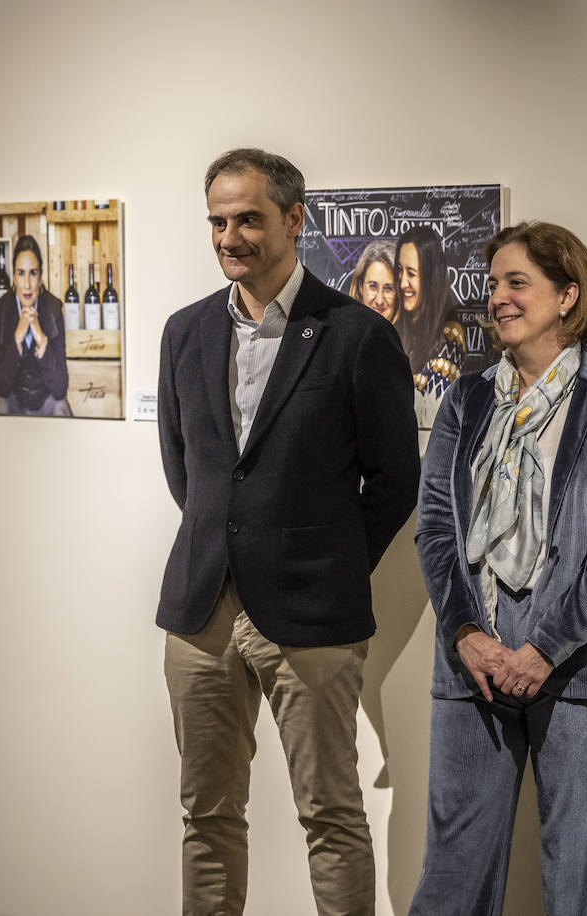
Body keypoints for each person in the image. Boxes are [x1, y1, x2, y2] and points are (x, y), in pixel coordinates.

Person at [156, 147, 419, 916]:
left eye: (247, 218)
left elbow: (395, 481)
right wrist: (227, 540)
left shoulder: (356, 335)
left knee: (331, 816)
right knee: (205, 815)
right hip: (201, 611)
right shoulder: (185, 332)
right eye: (217, 221)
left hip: (311, 617)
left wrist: (329, 563)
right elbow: (189, 472)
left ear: (293, 219)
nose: (229, 236)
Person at [410, 221, 587, 916]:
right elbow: (434, 527)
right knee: (452, 881)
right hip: (473, 666)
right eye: (493, 284)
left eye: (517, 282)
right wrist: (467, 634)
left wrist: (544, 648)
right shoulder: (465, 401)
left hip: (586, 673)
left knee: (583, 887)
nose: (498, 298)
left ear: (567, 295)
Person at [0, 235, 71, 416]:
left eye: (33, 273)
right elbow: (1, 386)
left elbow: (60, 389)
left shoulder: (54, 309)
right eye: (21, 273)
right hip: (15, 401)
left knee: (61, 407)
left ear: (40, 277)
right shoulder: (2, 309)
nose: (27, 284)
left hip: (45, 403)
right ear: (14, 277)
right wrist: (17, 340)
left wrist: (42, 340)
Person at [395, 225, 465, 425]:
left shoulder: (450, 336)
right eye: (400, 271)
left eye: (412, 273)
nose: (402, 283)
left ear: (430, 277)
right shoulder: (402, 324)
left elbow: (433, 417)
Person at [347, 239, 398, 324]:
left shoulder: (413, 335)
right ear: (360, 287)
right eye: (373, 286)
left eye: (388, 288)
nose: (379, 301)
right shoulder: (343, 333)